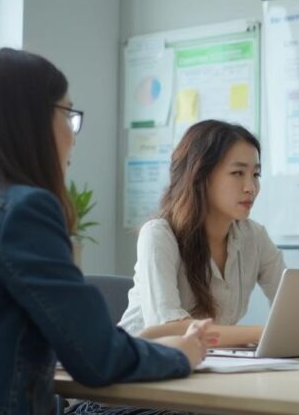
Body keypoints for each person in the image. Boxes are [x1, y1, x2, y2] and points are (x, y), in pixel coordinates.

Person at [0, 47, 217, 415]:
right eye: (68, 114)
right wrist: (181, 352)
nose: (73, 134)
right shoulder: (23, 211)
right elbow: (97, 356)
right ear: (28, 120)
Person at [117, 120, 285, 346]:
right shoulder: (159, 235)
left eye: (255, 174)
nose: (250, 187)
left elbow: (293, 308)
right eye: (237, 173)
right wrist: (261, 333)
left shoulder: (254, 236)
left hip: (207, 366)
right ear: (200, 176)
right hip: (141, 368)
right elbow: (168, 330)